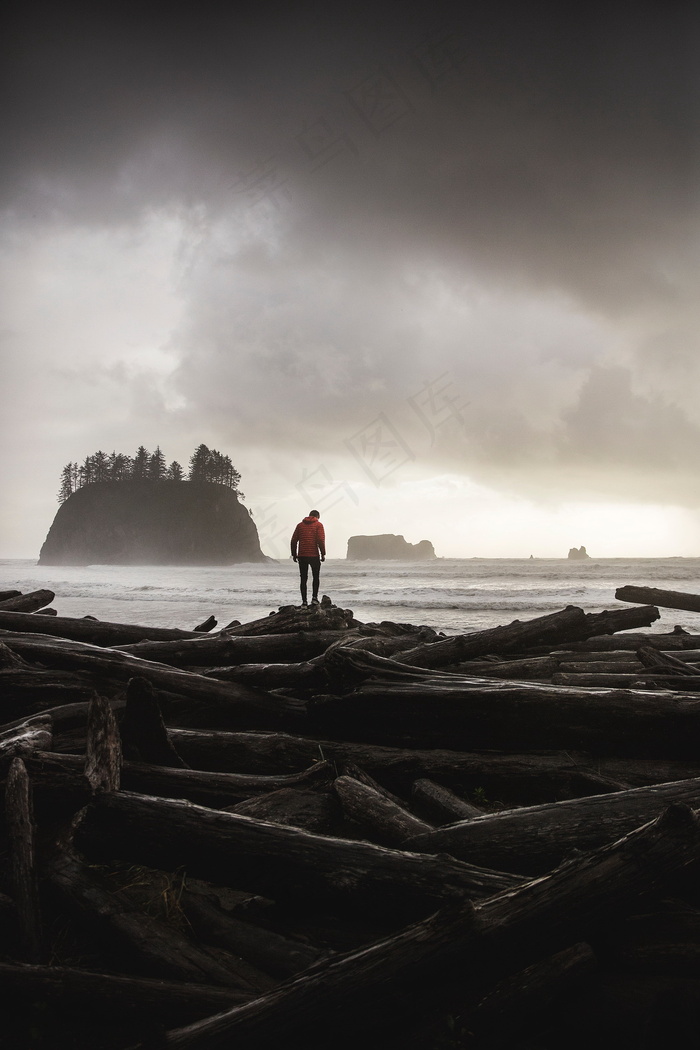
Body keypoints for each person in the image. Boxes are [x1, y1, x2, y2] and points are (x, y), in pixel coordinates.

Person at [290, 509, 326, 607]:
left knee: (303, 579)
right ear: (317, 516)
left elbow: (293, 541)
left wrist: (294, 554)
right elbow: (320, 540)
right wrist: (323, 554)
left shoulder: (300, 525)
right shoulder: (318, 525)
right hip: (314, 555)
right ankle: (314, 598)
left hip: (302, 555)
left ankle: (304, 602)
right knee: (316, 577)